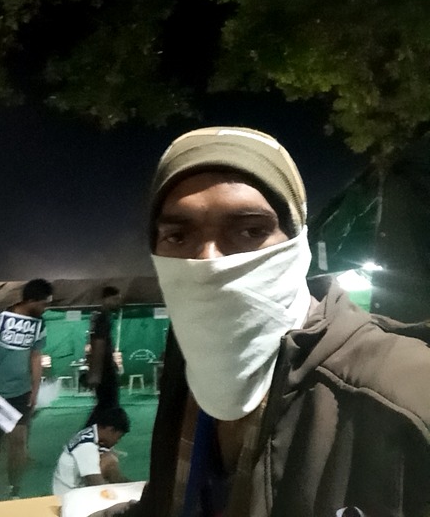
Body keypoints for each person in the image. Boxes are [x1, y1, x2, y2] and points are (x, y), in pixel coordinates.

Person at [91, 126, 430, 517]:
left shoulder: (403, 399)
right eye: (178, 236)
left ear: (297, 243)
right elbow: (169, 502)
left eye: (250, 231)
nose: (208, 260)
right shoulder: (191, 367)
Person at [0, 278, 53, 499]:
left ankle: (14, 491)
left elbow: (36, 356)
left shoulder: (39, 324)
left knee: (18, 442)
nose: (45, 308)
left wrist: (35, 391)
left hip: (22, 393)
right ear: (31, 300)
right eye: (43, 304)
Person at [52, 406, 130, 495]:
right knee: (109, 460)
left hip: (67, 490)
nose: (117, 441)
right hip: (69, 496)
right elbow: (96, 483)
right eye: (119, 437)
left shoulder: (90, 433)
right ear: (110, 430)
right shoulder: (87, 447)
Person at [86, 286, 123, 424]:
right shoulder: (102, 318)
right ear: (106, 299)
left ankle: (91, 432)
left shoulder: (102, 317)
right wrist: (95, 374)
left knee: (105, 406)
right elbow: (99, 345)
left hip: (105, 370)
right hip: (105, 372)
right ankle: (89, 432)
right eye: (115, 299)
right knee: (108, 407)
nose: (118, 302)